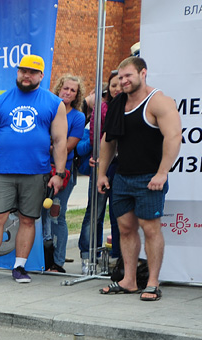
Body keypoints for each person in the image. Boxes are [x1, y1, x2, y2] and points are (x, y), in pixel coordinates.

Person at [0, 54, 67, 284]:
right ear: (17, 72)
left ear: (41, 75)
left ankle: (20, 267)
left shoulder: (55, 103)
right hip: (3, 172)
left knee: (27, 220)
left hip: (37, 172)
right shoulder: (0, 101)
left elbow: (60, 141)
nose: (27, 75)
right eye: (23, 70)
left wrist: (59, 174)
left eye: (33, 72)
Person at [97, 56, 181, 301]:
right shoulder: (117, 104)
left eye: (128, 76)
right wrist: (102, 173)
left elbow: (174, 136)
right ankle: (129, 281)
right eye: (120, 78)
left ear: (143, 73)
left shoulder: (159, 102)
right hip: (122, 176)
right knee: (125, 229)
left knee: (151, 229)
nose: (123, 81)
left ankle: (153, 283)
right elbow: (108, 140)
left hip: (149, 177)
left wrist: (162, 172)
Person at [41, 74, 87, 272]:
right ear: (58, 88)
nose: (67, 92)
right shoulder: (47, 110)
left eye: (72, 90)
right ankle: (42, 258)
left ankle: (57, 262)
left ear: (77, 95)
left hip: (63, 172)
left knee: (56, 215)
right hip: (40, 169)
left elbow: (66, 147)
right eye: (65, 88)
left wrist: (44, 145)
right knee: (39, 215)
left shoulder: (78, 117)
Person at [79, 70, 123, 270]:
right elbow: (95, 137)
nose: (117, 89)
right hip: (102, 164)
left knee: (117, 213)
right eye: (113, 85)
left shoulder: (129, 107)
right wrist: (99, 159)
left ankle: (117, 255)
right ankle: (89, 254)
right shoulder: (102, 108)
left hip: (121, 166)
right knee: (95, 212)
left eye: (120, 85)